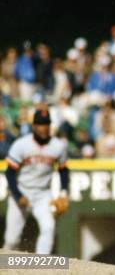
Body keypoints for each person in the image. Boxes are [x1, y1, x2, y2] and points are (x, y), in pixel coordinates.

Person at [3, 108, 69, 254]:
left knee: (48, 228)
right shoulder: (21, 144)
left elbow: (63, 170)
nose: (44, 127)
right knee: (11, 240)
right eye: (40, 124)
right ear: (34, 126)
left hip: (42, 194)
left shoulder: (58, 146)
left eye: (46, 123)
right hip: (21, 191)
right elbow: (9, 173)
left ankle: (40, 266)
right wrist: (18, 195)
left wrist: (64, 192)